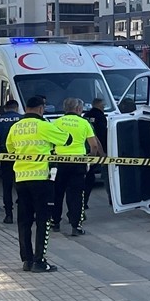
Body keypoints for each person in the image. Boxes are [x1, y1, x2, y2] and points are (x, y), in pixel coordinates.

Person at [6, 95, 72, 272]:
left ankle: (27, 260)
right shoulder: (43, 126)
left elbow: (10, 148)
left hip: (21, 178)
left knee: (24, 221)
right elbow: (67, 139)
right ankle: (39, 261)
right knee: (43, 220)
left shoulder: (16, 127)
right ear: (41, 109)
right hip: (42, 179)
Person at [50, 98, 103, 236]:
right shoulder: (84, 123)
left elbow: (51, 143)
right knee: (76, 195)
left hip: (59, 162)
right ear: (79, 109)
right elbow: (94, 145)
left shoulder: (56, 122)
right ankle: (76, 226)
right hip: (78, 163)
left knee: (57, 193)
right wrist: (90, 160)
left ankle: (55, 222)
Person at [0, 99, 24, 225]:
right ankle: (23, 213)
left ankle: (8, 215)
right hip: (20, 155)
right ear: (16, 108)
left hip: (5, 155)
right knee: (21, 185)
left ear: (5, 108)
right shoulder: (22, 119)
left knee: (7, 186)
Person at [82, 96, 108, 200]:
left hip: (85, 150)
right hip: (96, 149)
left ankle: (84, 201)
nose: (104, 107)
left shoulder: (86, 115)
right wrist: (103, 152)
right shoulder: (100, 116)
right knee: (92, 176)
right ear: (99, 105)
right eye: (103, 105)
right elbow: (101, 135)